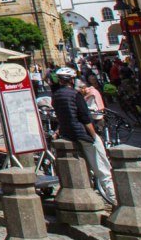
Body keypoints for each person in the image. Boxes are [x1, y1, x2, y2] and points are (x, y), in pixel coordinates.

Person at [50, 68, 122, 197]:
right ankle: (112, 195)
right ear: (72, 80)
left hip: (67, 133)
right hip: (82, 133)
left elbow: (60, 115)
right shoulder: (75, 94)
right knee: (101, 163)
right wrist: (93, 135)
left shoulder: (56, 96)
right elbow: (85, 117)